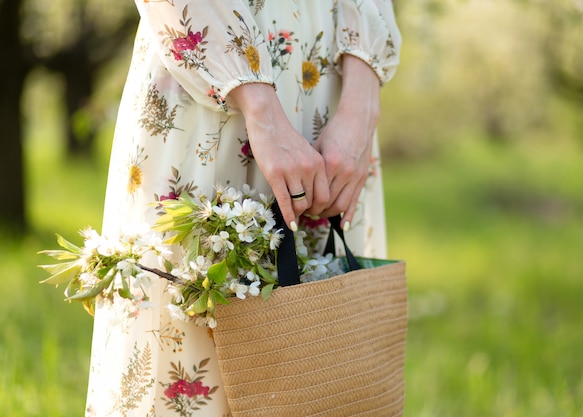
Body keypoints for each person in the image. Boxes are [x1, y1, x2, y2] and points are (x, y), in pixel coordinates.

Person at [85, 1, 401, 416]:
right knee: (193, 333)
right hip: (213, 80)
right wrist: (260, 107)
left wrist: (361, 108)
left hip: (333, 92)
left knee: (323, 353)